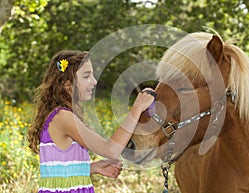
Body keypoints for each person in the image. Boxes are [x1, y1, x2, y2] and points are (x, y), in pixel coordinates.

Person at [27, 50, 155, 193]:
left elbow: (57, 171)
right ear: (67, 84)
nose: (94, 81)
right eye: (87, 76)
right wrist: (137, 108)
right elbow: (111, 150)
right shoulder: (62, 117)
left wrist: (92, 168)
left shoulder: (61, 115)